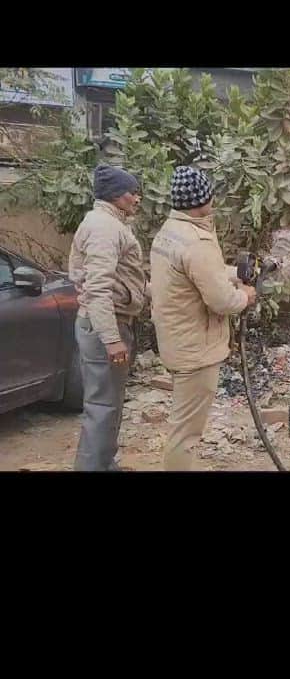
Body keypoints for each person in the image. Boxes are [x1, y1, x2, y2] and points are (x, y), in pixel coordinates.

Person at [150, 166, 256, 471]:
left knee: (183, 426)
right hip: (196, 351)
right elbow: (222, 301)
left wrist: (233, 274)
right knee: (185, 434)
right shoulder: (197, 242)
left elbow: (198, 274)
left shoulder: (170, 232)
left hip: (177, 342)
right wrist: (245, 295)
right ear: (202, 200)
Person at [69, 163, 148, 471]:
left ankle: (105, 464)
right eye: (132, 192)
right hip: (105, 324)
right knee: (101, 407)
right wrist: (112, 339)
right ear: (116, 195)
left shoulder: (108, 223)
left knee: (109, 404)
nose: (137, 198)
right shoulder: (104, 228)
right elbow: (98, 289)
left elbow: (123, 280)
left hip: (109, 321)